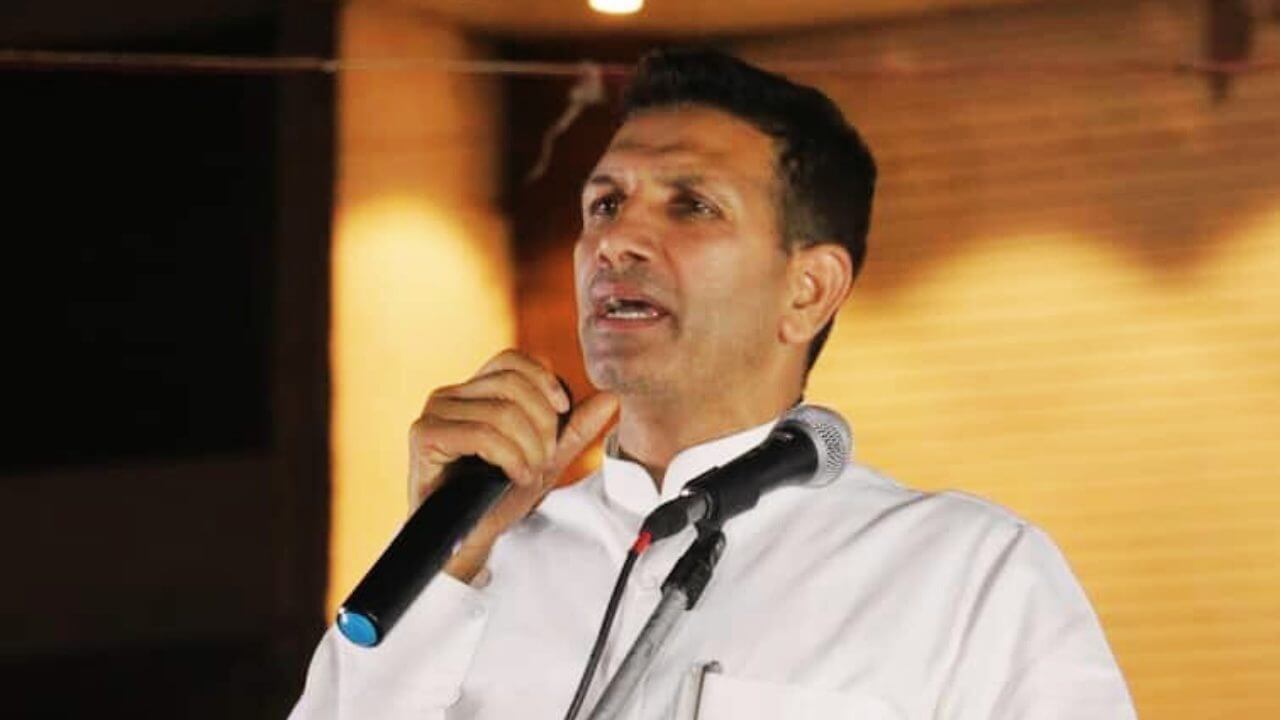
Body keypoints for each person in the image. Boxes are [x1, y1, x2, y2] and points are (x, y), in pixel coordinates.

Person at [290, 48, 1136, 719]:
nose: (617, 241)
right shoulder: (483, 562)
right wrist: (446, 563)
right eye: (604, 204)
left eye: (691, 206)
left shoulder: (966, 573)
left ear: (808, 291)